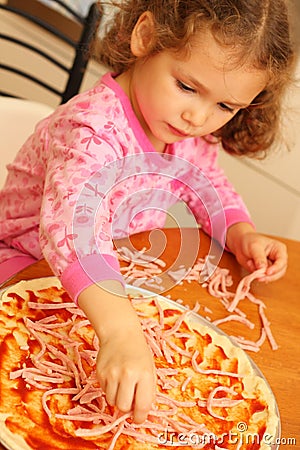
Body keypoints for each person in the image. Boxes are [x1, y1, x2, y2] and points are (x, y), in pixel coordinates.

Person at [0, 0, 295, 425]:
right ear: (145, 37)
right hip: (24, 265)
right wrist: (119, 330)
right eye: (187, 87)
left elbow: (210, 185)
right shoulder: (92, 130)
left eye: (225, 107)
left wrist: (241, 232)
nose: (198, 117)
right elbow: (74, 232)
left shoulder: (185, 131)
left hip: (107, 282)